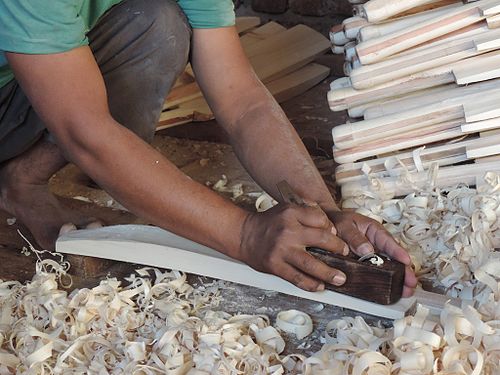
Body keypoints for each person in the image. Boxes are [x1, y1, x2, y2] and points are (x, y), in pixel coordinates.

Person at [0, 0, 416, 296]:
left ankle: (22, 181)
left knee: (157, 23)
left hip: (24, 81)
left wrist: (324, 218)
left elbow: (242, 100)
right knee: (84, 124)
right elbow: (84, 130)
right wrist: (245, 234)